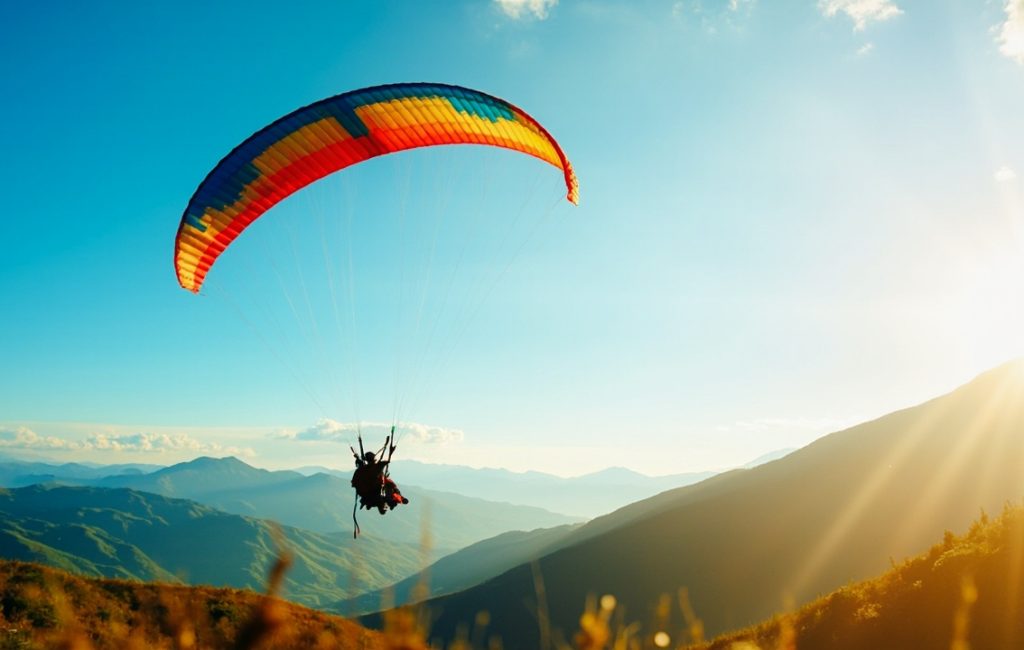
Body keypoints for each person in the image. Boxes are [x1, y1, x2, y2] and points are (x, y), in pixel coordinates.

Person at [351, 450, 409, 515]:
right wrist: (402, 499)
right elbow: (395, 493)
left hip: (370, 490)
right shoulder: (376, 467)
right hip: (373, 489)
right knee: (387, 488)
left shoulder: (362, 470)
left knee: (384, 489)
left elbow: (356, 483)